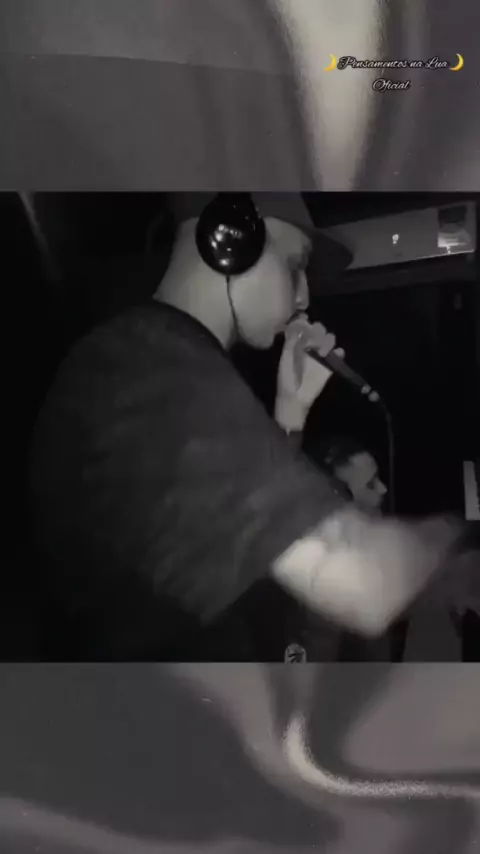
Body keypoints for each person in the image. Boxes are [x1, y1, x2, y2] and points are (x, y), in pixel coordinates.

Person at [29, 192, 460, 661]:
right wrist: (456, 536)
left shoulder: (157, 359)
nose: (304, 296)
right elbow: (363, 582)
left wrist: (290, 410)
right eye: (294, 265)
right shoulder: (150, 370)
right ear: (229, 241)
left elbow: (237, 527)